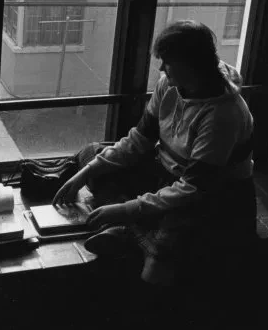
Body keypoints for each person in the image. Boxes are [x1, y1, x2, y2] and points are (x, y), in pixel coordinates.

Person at [53, 21, 257, 286]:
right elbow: (140, 139)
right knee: (92, 154)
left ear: (191, 63)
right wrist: (86, 172)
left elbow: (193, 189)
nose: (161, 69)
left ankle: (137, 234)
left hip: (214, 195)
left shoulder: (222, 114)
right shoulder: (169, 85)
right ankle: (139, 231)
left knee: (162, 260)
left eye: (168, 62)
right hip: (167, 175)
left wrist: (125, 209)